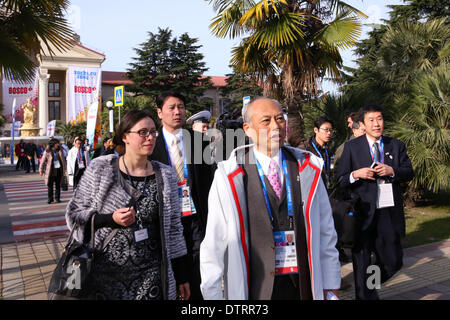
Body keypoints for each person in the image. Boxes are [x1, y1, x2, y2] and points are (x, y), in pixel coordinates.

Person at [200, 97, 341, 300]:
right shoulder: (229, 176)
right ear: (247, 129)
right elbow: (214, 242)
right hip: (255, 288)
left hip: (302, 285)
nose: (276, 126)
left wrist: (330, 285)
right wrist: (212, 295)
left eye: (280, 119)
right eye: (266, 121)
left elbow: (326, 232)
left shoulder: (309, 168)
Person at [65, 109, 190, 300]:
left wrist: (182, 275)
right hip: (104, 276)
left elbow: (174, 228)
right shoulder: (101, 168)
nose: (150, 137)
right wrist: (109, 219)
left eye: (153, 132)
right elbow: (73, 215)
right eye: (142, 132)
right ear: (125, 137)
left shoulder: (165, 175)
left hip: (151, 277)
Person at [337, 104, 414, 300]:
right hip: (362, 212)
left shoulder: (395, 145)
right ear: (362, 124)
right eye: (371, 120)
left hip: (388, 212)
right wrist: (357, 174)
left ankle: (370, 285)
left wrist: (392, 171)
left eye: (379, 119)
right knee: (362, 261)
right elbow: (341, 179)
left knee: (393, 260)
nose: (376, 123)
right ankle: (367, 295)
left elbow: (409, 172)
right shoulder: (352, 147)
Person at [149, 91, 215, 300]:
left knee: (197, 265)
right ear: (159, 113)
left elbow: (208, 179)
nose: (177, 112)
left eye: (181, 107)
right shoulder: (151, 144)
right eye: (171, 107)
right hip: (167, 218)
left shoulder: (198, 141)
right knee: (172, 267)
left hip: (195, 216)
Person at [297, 116, 334, 191]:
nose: (329, 133)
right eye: (326, 130)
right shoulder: (305, 149)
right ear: (316, 130)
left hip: (324, 191)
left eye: (331, 130)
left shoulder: (327, 150)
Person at [39, 139, 67, 204]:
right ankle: (50, 199)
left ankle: (57, 198)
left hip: (58, 171)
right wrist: (41, 170)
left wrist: (65, 169)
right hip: (50, 171)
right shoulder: (47, 151)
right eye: (57, 143)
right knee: (50, 186)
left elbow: (63, 160)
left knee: (58, 185)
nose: (58, 144)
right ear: (53, 144)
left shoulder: (60, 150)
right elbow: (42, 161)